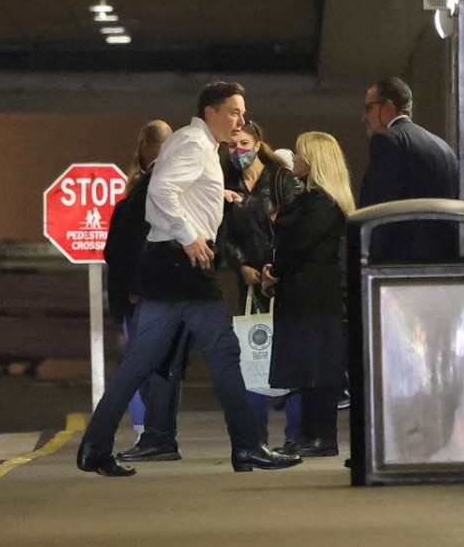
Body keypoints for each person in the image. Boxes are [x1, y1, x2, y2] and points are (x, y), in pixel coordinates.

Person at [77, 81, 302, 477]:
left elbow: (178, 191)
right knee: (225, 355)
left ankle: (94, 447)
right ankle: (248, 446)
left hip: (168, 270)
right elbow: (162, 191)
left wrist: (218, 200)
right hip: (186, 268)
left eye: (243, 113)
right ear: (210, 112)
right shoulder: (194, 144)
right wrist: (190, 236)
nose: (241, 120)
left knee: (139, 362)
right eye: (234, 111)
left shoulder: (199, 147)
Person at [103, 119, 193, 464]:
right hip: (163, 291)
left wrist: (136, 287)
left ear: (145, 147)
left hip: (151, 294)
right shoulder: (176, 183)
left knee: (154, 368)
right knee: (160, 367)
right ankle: (159, 435)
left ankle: (159, 437)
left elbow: (140, 242)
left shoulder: (156, 184)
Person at [261, 131, 355, 457]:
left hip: (312, 294)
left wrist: (278, 264)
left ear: (314, 161)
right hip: (305, 291)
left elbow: (298, 242)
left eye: (300, 155)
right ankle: (307, 435)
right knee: (308, 366)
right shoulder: (313, 200)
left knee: (317, 365)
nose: (295, 160)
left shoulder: (322, 202)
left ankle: (321, 437)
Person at [220, 121, 304, 445]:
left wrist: (277, 265)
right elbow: (224, 232)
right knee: (252, 355)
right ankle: (255, 439)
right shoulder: (229, 184)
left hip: (285, 279)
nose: (237, 151)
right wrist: (242, 265)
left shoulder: (281, 178)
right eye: (231, 145)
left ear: (258, 144)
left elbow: (297, 226)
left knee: (291, 354)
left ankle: (296, 436)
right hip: (250, 284)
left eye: (243, 143)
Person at [358, 77, 460, 263]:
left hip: (401, 262)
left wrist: (370, 262)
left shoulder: (387, 140)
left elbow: (380, 208)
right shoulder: (444, 147)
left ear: (387, 106)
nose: (364, 116)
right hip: (445, 260)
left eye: (369, 108)